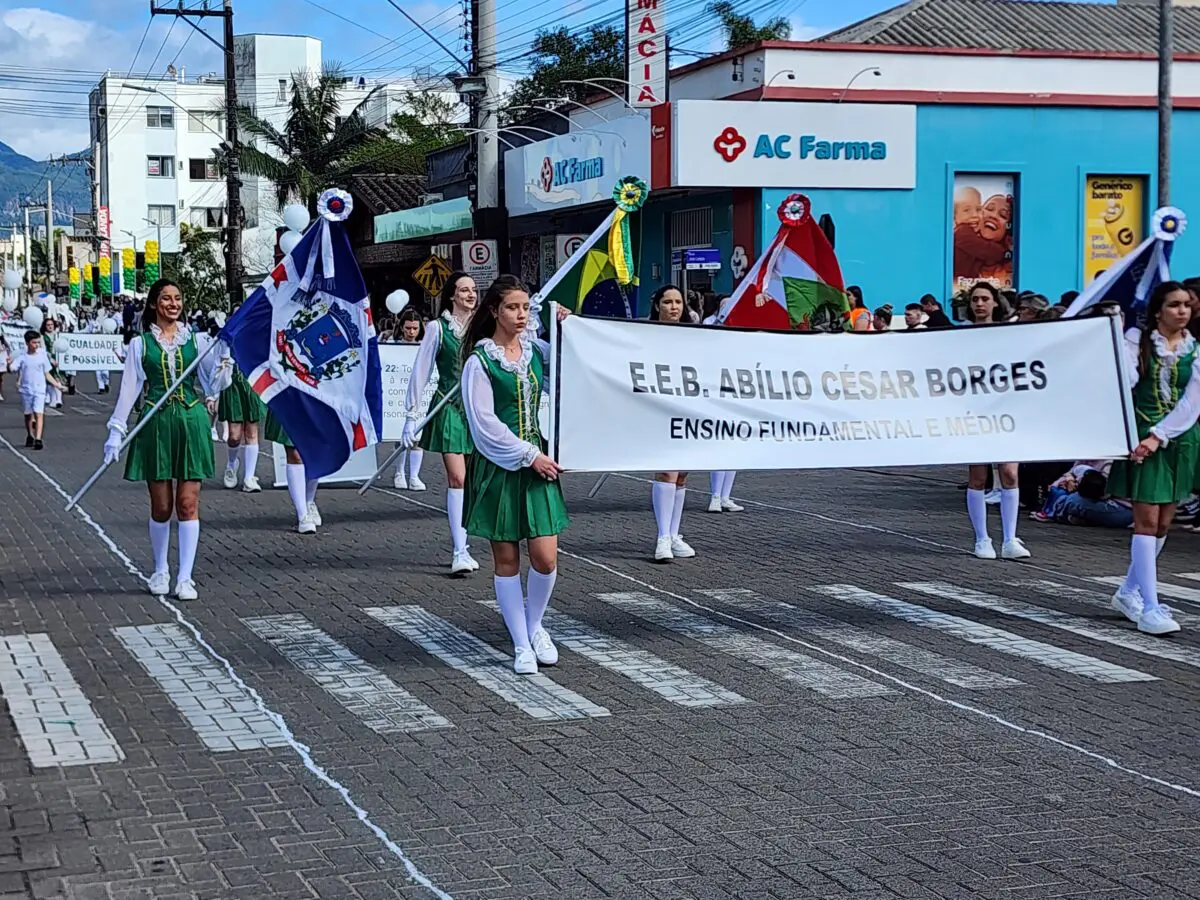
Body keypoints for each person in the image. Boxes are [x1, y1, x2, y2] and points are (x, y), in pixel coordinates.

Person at [459, 275, 569, 675]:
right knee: (506, 559)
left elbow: (572, 367)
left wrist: (564, 327)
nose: (520, 315)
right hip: (502, 464)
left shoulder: (536, 351)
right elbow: (484, 422)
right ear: (494, 311)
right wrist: (527, 455)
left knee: (545, 557)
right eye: (511, 307)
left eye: (525, 307)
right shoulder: (480, 361)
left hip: (539, 462)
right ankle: (521, 643)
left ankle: (535, 624)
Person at [103, 279, 229, 600]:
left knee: (188, 503)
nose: (173, 304)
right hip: (156, 424)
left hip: (191, 421)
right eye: (165, 298)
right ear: (154, 304)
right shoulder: (140, 345)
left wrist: (224, 358)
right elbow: (129, 389)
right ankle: (161, 568)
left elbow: (213, 384)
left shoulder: (198, 341)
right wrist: (116, 431)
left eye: (177, 298)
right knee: (162, 505)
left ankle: (185, 577)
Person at [1108, 282, 1200, 636]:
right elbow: (1127, 380)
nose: (1183, 311)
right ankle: (1149, 605)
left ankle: (1129, 591)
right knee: (1146, 522)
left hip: (1177, 437)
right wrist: (1122, 339)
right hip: (1141, 433)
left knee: (1163, 524)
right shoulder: (1140, 341)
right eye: (1175, 305)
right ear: (1158, 310)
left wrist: (1160, 435)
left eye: (1187, 305)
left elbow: (1193, 401)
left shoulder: (1195, 348)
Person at [402, 272, 479, 574]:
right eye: (464, 290)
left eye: (473, 290)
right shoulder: (437, 328)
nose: (471, 295)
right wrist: (411, 416)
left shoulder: (484, 326)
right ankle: (459, 550)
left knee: (473, 480)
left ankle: (466, 542)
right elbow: (420, 371)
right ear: (451, 295)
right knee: (457, 478)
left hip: (478, 409)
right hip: (448, 406)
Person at [961, 281, 1030, 560]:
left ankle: (1010, 538)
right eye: (975, 299)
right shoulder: (960, 337)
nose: (979, 304)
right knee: (978, 476)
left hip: (1005, 410)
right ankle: (982, 538)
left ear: (994, 302)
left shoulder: (1007, 335)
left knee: (1009, 472)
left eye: (985, 299)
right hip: (973, 412)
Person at [648, 285, 697, 561]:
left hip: (687, 408)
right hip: (658, 409)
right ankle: (662, 537)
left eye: (678, 302)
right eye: (668, 302)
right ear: (658, 306)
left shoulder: (692, 336)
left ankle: (673, 533)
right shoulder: (646, 335)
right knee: (666, 471)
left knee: (683, 473)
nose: (674, 307)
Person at [265, 411, 322, 534]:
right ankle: (303, 515)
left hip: (314, 399)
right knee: (294, 453)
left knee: (314, 452)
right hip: (288, 399)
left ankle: (309, 501)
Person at [217, 355, 265, 493]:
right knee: (234, 436)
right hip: (232, 385)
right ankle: (232, 464)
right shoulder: (227, 336)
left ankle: (249, 477)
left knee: (251, 431)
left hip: (252, 382)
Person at [393, 308, 427, 491]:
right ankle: (399, 472)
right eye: (408, 328)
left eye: (414, 328)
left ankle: (414, 475)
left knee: (418, 437)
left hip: (419, 393)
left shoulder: (424, 346)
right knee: (400, 436)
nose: (411, 332)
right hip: (398, 393)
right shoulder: (392, 344)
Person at [15, 329, 64, 450]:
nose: (36, 345)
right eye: (34, 342)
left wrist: (57, 385)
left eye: (38, 342)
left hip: (39, 390)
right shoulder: (23, 357)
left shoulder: (42, 357)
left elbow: (47, 374)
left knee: (39, 413)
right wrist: (9, 364)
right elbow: (13, 368)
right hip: (26, 390)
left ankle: (38, 439)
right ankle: (30, 435)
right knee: (28, 415)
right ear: (27, 343)